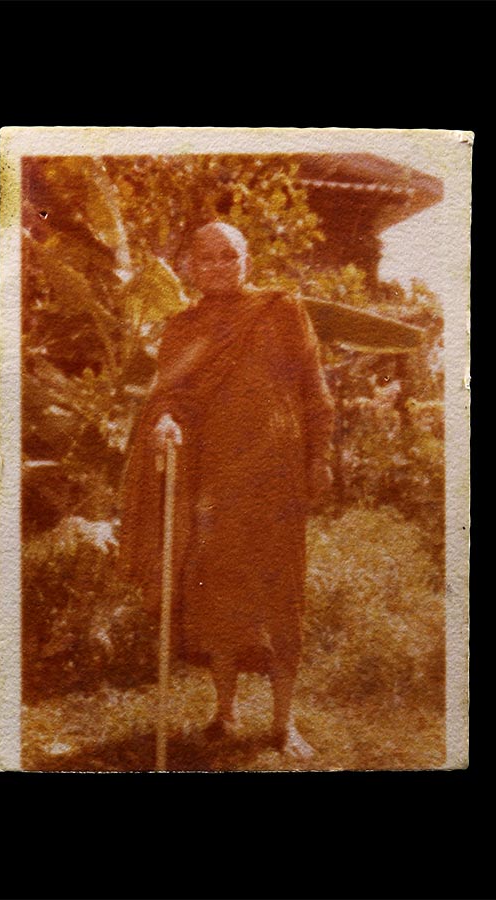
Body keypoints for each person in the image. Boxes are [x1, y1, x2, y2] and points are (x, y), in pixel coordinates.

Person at [119, 222, 335, 759]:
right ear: (190, 266)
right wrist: (165, 419)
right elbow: (169, 394)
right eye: (206, 258)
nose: (218, 266)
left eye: (228, 255)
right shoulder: (182, 327)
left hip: (277, 478)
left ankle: (283, 723)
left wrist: (320, 457)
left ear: (247, 261)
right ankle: (225, 711)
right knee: (219, 596)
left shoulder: (282, 311)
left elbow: (313, 388)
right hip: (214, 481)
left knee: (280, 596)